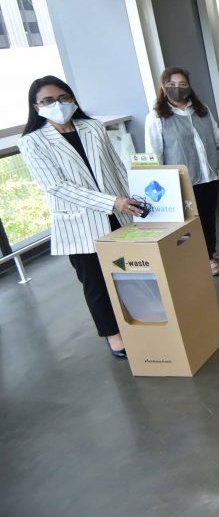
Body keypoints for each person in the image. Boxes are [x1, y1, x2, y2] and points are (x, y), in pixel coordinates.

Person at [19, 76, 143, 359]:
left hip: (120, 214)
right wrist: (112, 202)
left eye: (63, 98)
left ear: (72, 99)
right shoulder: (32, 142)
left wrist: (133, 200)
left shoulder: (92, 127)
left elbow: (116, 167)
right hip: (80, 222)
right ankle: (113, 335)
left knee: (131, 272)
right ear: (36, 107)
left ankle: (139, 319)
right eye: (48, 101)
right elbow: (56, 186)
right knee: (95, 282)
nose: (57, 104)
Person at [145, 67, 219, 277]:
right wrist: (160, 184)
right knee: (192, 221)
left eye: (182, 84)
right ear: (163, 87)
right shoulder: (156, 116)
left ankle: (211, 251)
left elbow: (215, 133)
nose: (178, 88)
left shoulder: (201, 109)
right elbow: (154, 152)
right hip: (183, 181)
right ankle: (203, 258)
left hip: (208, 175)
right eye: (172, 84)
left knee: (209, 217)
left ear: (189, 86)